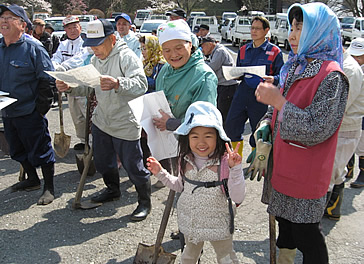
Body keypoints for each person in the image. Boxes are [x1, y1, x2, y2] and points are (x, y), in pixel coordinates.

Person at [253, 3, 349, 263]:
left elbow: (319, 128)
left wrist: (279, 103)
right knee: (285, 225)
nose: (292, 35)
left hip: (305, 174)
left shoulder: (332, 76)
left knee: (308, 236)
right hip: (283, 167)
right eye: (291, 27)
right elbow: (276, 112)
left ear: (320, 31)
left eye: (300, 28)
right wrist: (264, 125)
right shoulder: (295, 66)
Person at [56, 19, 151, 221]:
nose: (94, 49)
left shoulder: (126, 57)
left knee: (133, 165)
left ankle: (144, 202)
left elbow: (141, 84)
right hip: (102, 121)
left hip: (125, 121)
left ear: (112, 39)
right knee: (103, 162)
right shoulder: (95, 61)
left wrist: (118, 83)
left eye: (98, 44)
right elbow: (89, 88)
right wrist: (70, 87)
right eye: (91, 45)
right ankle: (112, 190)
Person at [147, 101, 245, 264]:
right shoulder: (185, 159)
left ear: (218, 137)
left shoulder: (225, 163)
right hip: (191, 223)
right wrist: (160, 173)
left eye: (208, 136)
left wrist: (235, 169)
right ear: (187, 137)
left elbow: (238, 197)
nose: (201, 142)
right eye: (195, 136)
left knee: (226, 258)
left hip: (218, 224)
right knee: (188, 257)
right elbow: (180, 186)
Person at [0, 4, 56, 205]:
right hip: (7, 111)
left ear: (22, 25)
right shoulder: (0, 47)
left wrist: (40, 110)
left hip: (29, 111)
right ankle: (32, 179)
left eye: (10, 17)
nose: (4, 21)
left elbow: (48, 79)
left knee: (40, 150)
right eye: (2, 17)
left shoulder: (33, 48)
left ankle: (49, 188)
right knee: (15, 150)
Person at [224, 16, 284, 157]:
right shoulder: (244, 49)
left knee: (258, 129)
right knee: (231, 126)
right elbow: (240, 70)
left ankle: (256, 159)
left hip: (261, 96)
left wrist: (273, 79)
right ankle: (234, 160)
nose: (253, 31)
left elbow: (282, 76)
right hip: (242, 93)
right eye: (252, 28)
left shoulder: (275, 52)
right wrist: (235, 74)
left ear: (266, 30)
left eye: (257, 28)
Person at [324, 44, 364, 221]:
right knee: (333, 170)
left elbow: (342, 104)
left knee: (333, 170)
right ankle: (331, 209)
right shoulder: (340, 64)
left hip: (345, 127)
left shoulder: (349, 69)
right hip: (338, 126)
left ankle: (331, 208)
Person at [52, 15, 87, 151]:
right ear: (65, 30)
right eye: (69, 28)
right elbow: (56, 58)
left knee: (87, 113)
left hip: (82, 85)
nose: (72, 30)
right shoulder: (63, 44)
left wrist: (63, 67)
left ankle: (93, 141)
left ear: (79, 28)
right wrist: (56, 67)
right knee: (76, 115)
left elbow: (79, 59)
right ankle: (83, 140)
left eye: (75, 27)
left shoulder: (84, 44)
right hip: (67, 85)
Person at [200, 36, 238, 123]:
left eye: (203, 47)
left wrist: (201, 64)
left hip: (227, 87)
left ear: (210, 44)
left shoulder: (219, 51)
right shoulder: (215, 52)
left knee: (223, 113)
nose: (202, 50)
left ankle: (223, 134)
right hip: (222, 86)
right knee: (220, 111)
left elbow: (211, 68)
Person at [345, 38, 364, 189]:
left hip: (359, 113)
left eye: (360, 56)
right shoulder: (349, 67)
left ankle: (363, 174)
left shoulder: (356, 71)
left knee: (362, 146)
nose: (357, 59)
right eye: (354, 55)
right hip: (351, 114)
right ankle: (349, 170)